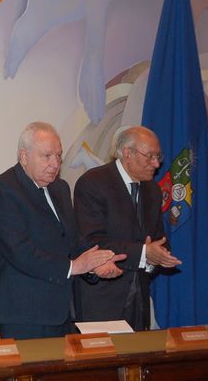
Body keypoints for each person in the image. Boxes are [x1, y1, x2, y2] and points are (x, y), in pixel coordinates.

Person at [0, 122, 125, 340]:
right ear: (24, 156)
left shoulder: (60, 188)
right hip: (26, 314)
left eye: (59, 155)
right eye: (47, 156)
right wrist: (75, 266)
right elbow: (19, 251)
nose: (55, 163)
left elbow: (71, 240)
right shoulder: (4, 189)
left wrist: (95, 262)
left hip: (64, 310)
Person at [74, 126, 181, 331]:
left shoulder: (153, 189)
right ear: (127, 153)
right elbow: (93, 242)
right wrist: (144, 253)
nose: (156, 164)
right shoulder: (93, 183)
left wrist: (155, 257)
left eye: (158, 156)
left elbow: (158, 241)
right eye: (150, 156)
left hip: (139, 303)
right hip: (102, 302)